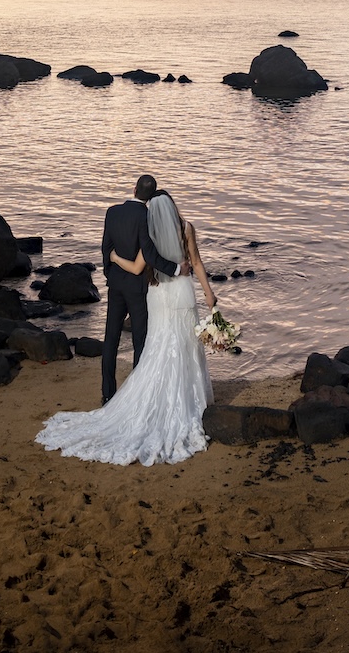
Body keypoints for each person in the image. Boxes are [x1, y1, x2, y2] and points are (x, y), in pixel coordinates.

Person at [35, 187, 216, 466]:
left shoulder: (150, 233)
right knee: (184, 344)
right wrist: (208, 293)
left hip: (157, 295)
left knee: (158, 344)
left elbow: (135, 268)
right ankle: (191, 401)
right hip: (182, 294)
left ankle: (125, 395)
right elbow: (198, 262)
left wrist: (114, 259)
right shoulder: (187, 228)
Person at [97, 173, 181, 404]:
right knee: (140, 340)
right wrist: (175, 269)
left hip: (116, 283)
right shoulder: (147, 216)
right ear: (151, 195)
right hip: (137, 287)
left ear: (134, 190)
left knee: (111, 338)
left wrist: (109, 272)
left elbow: (106, 247)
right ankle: (135, 394)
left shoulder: (112, 211)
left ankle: (107, 393)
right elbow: (150, 254)